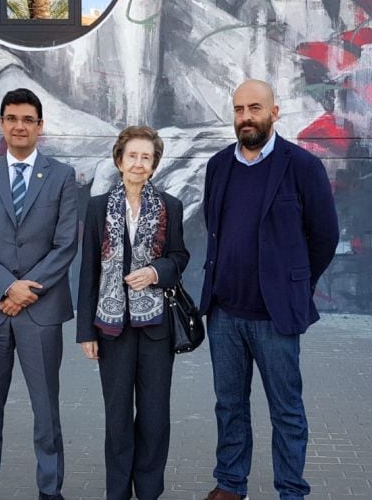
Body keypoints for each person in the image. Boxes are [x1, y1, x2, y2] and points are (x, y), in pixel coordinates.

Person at [199, 80, 339, 500]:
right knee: (229, 406)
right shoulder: (219, 165)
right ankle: (230, 483)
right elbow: (214, 225)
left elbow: (325, 237)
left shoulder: (302, 166)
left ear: (274, 112)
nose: (246, 117)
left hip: (275, 318)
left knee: (287, 411)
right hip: (224, 313)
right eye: (239, 109)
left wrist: (295, 283)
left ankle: (291, 490)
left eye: (254, 108)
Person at [0, 88, 78, 500]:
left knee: (46, 412)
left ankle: (50, 490)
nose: (20, 126)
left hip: (39, 313)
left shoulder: (62, 176)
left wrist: (26, 291)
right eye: (12, 118)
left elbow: (65, 245)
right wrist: (7, 287)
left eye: (28, 119)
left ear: (40, 126)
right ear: (2, 124)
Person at [76, 126, 190, 500]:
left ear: (154, 165)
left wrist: (156, 271)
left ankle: (150, 491)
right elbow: (88, 270)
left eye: (146, 157)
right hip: (112, 331)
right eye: (132, 156)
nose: (139, 163)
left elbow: (179, 257)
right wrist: (85, 332)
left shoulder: (170, 206)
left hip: (156, 329)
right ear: (119, 160)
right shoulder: (96, 208)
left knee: (155, 419)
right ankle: (118, 492)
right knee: (118, 418)